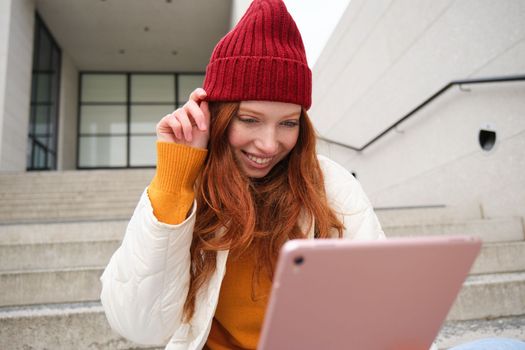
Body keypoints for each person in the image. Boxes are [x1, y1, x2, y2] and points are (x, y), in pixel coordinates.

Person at [100, 1, 523, 349]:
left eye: (288, 122)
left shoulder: (331, 184)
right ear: (216, 115)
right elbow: (139, 326)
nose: (269, 144)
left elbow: (383, 306)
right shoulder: (179, 192)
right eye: (249, 119)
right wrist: (175, 180)